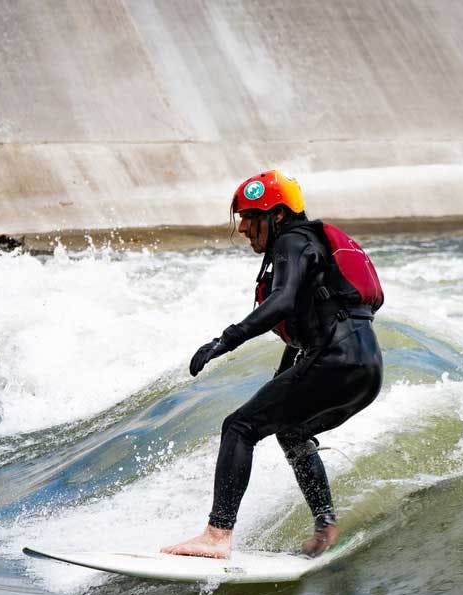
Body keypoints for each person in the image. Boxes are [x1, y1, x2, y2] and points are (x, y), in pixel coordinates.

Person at [162, 170, 384, 559]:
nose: (244, 227)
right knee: (292, 431)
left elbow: (280, 302)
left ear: (277, 216)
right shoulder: (310, 243)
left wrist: (224, 341)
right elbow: (315, 321)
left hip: (335, 360)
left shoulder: (291, 241)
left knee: (239, 427)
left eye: (251, 216)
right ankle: (326, 525)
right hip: (366, 367)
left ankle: (217, 535)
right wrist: (284, 379)